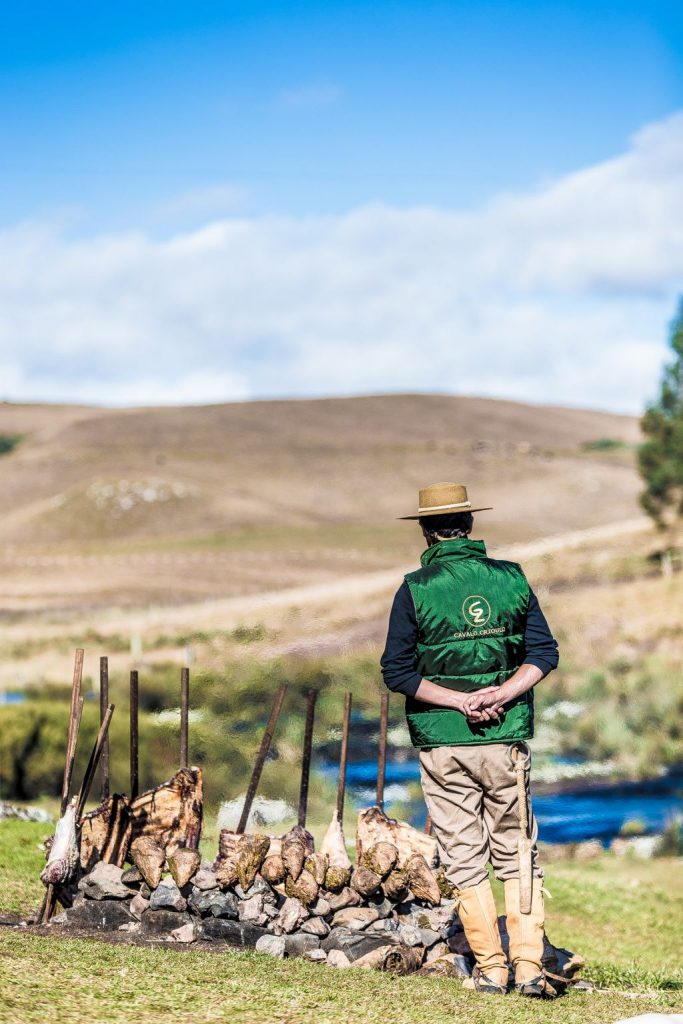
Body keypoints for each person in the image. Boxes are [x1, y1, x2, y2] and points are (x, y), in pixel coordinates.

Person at [380, 481, 559, 997]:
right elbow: (543, 654)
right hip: (505, 740)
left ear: (424, 530)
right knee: (517, 847)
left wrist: (460, 702)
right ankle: (528, 965)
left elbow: (398, 672)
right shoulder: (512, 578)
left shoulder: (413, 589)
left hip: (443, 744)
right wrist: (502, 693)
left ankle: (492, 969)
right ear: (471, 525)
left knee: (463, 853)